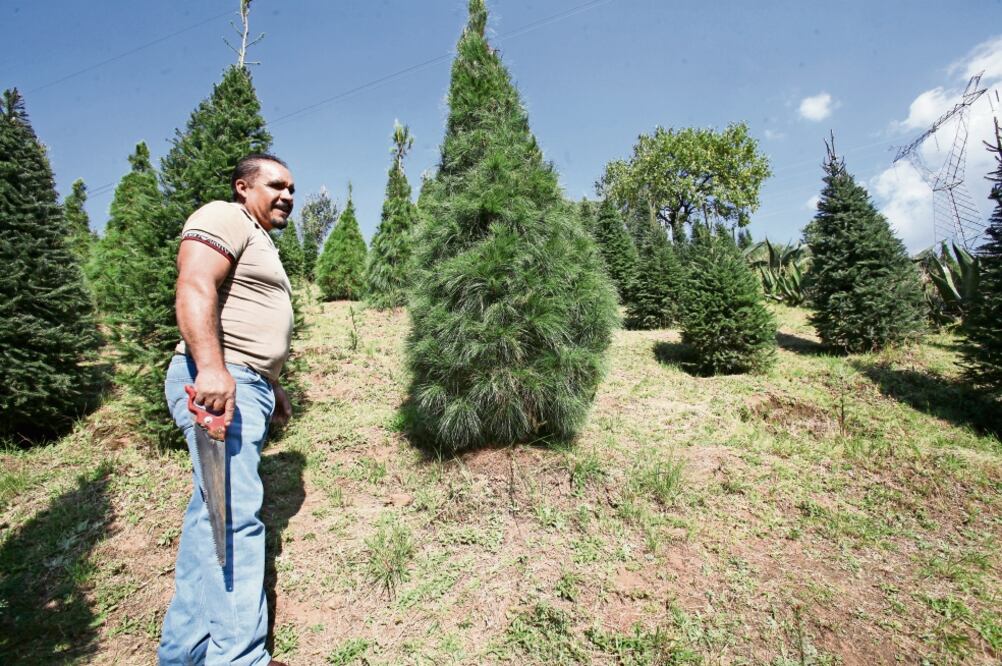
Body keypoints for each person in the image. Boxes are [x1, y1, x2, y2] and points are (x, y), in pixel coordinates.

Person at [158, 154, 295, 666]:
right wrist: (213, 368)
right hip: (219, 380)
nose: (287, 196)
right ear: (243, 187)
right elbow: (195, 284)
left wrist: (271, 383)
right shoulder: (224, 216)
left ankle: (185, 656)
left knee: (210, 521)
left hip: (244, 379)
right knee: (234, 520)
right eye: (276, 185)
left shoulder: (257, 236)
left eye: (292, 189)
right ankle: (239, 658)